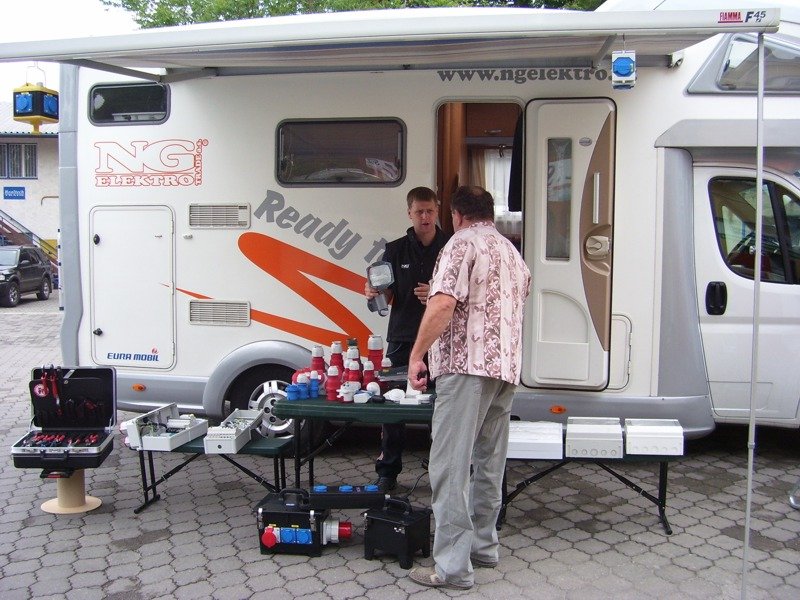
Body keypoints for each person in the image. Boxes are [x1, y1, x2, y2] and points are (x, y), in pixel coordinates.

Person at [406, 185, 531, 590]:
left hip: (465, 368)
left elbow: (443, 303)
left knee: (450, 466)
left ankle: (452, 568)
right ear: (489, 213)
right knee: (489, 464)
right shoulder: (511, 252)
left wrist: (417, 355)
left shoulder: (460, 244)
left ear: (457, 215)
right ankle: (483, 547)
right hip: (504, 370)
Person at [365, 186, 449, 492]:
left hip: (442, 339)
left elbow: (466, 293)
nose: (425, 217)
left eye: (430, 211)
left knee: (441, 406)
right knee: (394, 406)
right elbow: (385, 296)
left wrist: (436, 294)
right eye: (419, 212)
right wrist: (373, 292)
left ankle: (441, 470)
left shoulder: (451, 247)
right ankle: (388, 471)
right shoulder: (395, 250)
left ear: (437, 211)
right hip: (402, 339)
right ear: (409, 213)